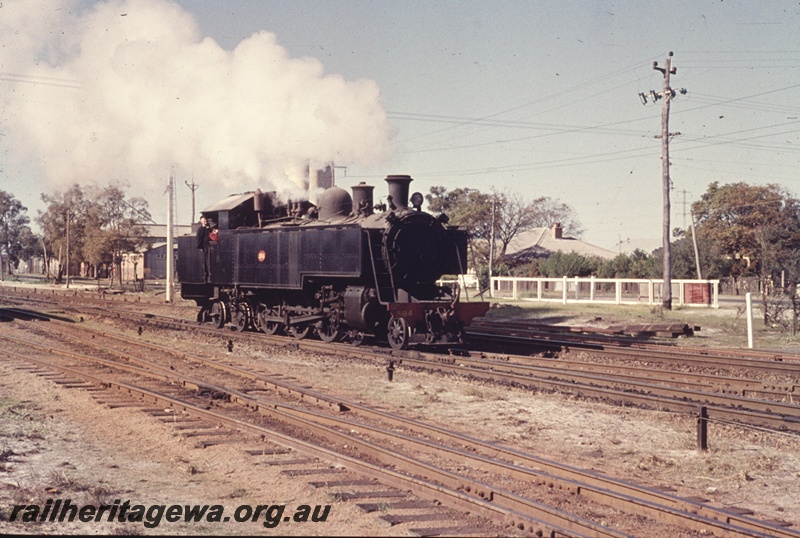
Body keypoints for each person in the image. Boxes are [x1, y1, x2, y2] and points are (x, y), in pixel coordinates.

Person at [196, 216, 211, 282]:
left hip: (209, 245)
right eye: (204, 220)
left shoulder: (208, 228)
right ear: (201, 221)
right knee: (205, 260)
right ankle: (206, 274)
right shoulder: (200, 229)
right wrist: (200, 247)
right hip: (204, 246)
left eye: (206, 220)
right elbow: (199, 237)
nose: (205, 221)